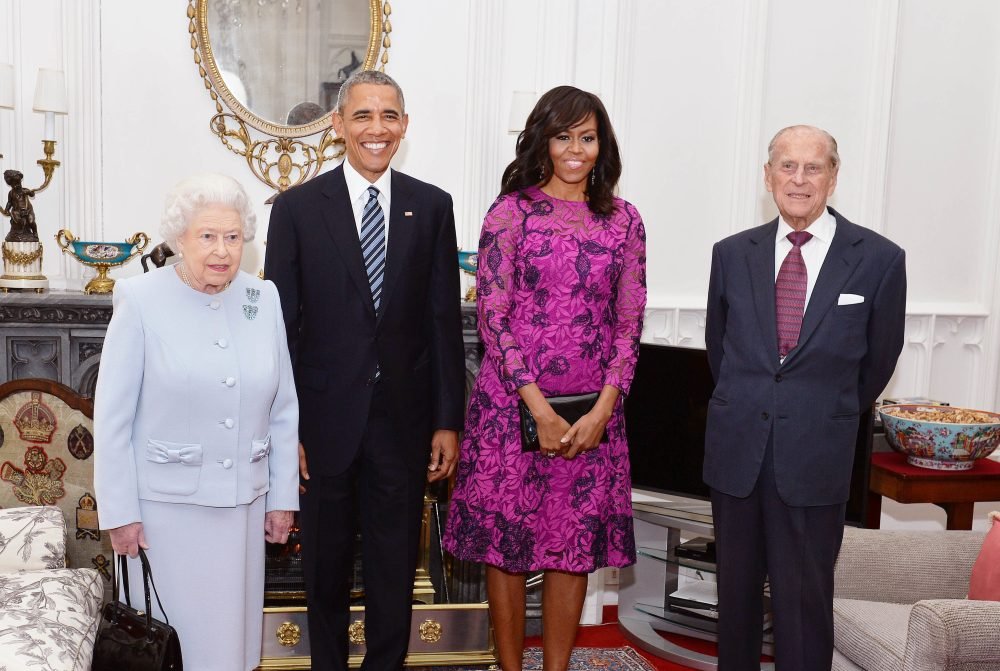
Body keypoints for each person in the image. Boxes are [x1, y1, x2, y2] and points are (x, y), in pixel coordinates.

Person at [264, 70, 465, 671]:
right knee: (323, 573)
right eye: (362, 116)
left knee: (393, 570)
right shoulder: (297, 209)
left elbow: (442, 322)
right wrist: (287, 427)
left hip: (404, 426)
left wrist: (447, 421)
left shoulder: (431, 206)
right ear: (338, 125)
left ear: (404, 124)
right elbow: (281, 330)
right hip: (323, 424)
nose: (376, 129)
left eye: (389, 116)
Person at [443, 85, 647, 671]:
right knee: (505, 551)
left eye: (587, 137)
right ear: (545, 141)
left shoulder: (625, 221)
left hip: (593, 417)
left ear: (601, 144)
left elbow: (628, 324)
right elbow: (493, 318)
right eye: (564, 136)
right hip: (511, 410)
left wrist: (602, 411)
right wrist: (538, 407)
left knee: (572, 547)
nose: (576, 149)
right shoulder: (509, 213)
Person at [704, 125, 906, 670]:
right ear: (767, 175)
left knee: (803, 607)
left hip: (816, 457)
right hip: (738, 454)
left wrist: (817, 413)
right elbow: (720, 355)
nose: (799, 179)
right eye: (787, 166)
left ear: (833, 177)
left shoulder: (879, 260)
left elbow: (877, 364)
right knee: (735, 606)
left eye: (812, 168)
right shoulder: (730, 255)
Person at [94, 173, 300, 671]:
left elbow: (283, 408)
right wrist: (119, 512)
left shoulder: (262, 298)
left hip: (243, 508)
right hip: (165, 514)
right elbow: (113, 418)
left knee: (232, 648)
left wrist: (283, 499)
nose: (222, 250)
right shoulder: (140, 298)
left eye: (232, 237)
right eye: (207, 236)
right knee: (171, 646)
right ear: (178, 238)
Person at [2, 169, 39, 242]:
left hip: (28, 210)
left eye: (18, 183)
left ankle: (35, 232)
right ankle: (19, 233)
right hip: (17, 211)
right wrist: (6, 209)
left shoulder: (25, 190)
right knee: (20, 221)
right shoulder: (11, 193)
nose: (16, 185)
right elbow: (9, 202)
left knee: (31, 222)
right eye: (14, 184)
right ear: (11, 185)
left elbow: (32, 194)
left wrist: (29, 192)